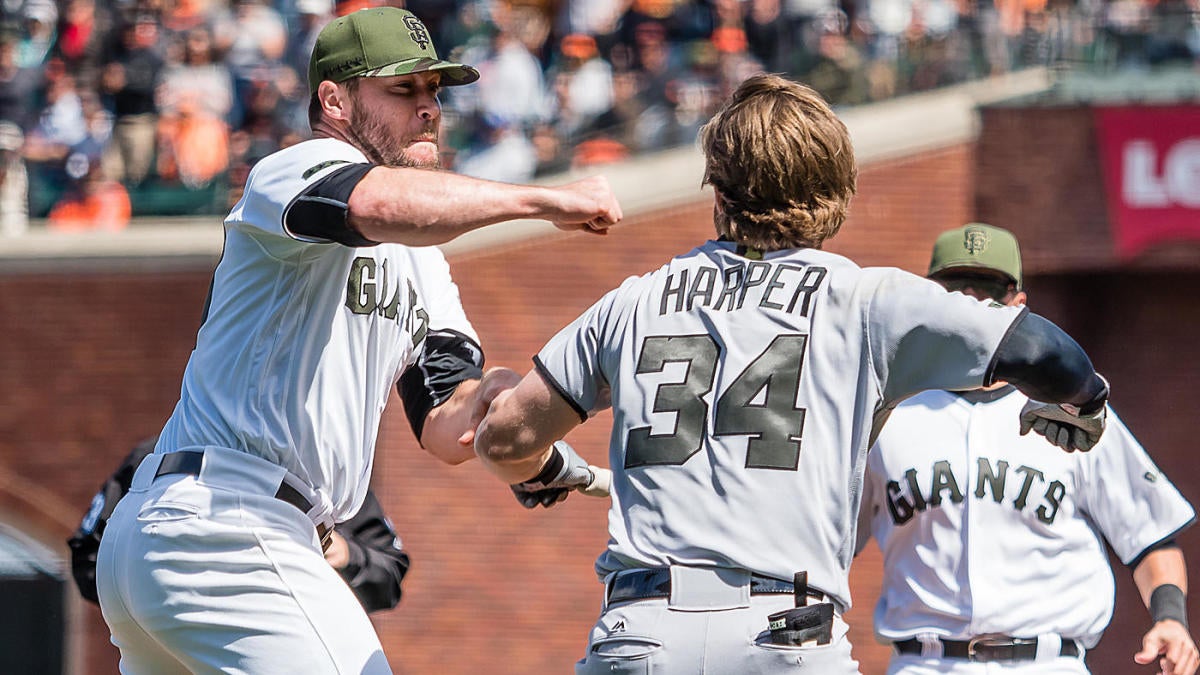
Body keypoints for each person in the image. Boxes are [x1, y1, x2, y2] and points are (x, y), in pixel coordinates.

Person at [472, 73, 1111, 674]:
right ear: (836, 192)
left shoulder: (634, 300)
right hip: (785, 631)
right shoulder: (867, 300)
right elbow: (1047, 355)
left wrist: (548, 470)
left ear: (718, 190)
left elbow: (503, 440)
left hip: (642, 631)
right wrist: (1085, 404)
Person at [94, 7, 621, 674]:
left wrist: (493, 398)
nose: (428, 107)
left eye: (435, 91)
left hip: (199, 533)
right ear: (334, 100)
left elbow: (443, 423)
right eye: (403, 89)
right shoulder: (296, 168)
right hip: (227, 522)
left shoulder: (427, 264)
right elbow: (374, 205)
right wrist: (545, 201)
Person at [857, 223, 1199, 675]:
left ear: (1019, 306)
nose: (974, 304)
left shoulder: (1074, 409)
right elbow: (829, 539)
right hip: (924, 663)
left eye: (991, 292)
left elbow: (1151, 534)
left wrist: (1171, 619)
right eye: (956, 290)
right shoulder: (888, 414)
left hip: (1047, 662)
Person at [70, 436, 411, 614]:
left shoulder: (328, 468)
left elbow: (390, 573)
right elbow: (88, 557)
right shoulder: (163, 456)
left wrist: (345, 554)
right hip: (176, 647)